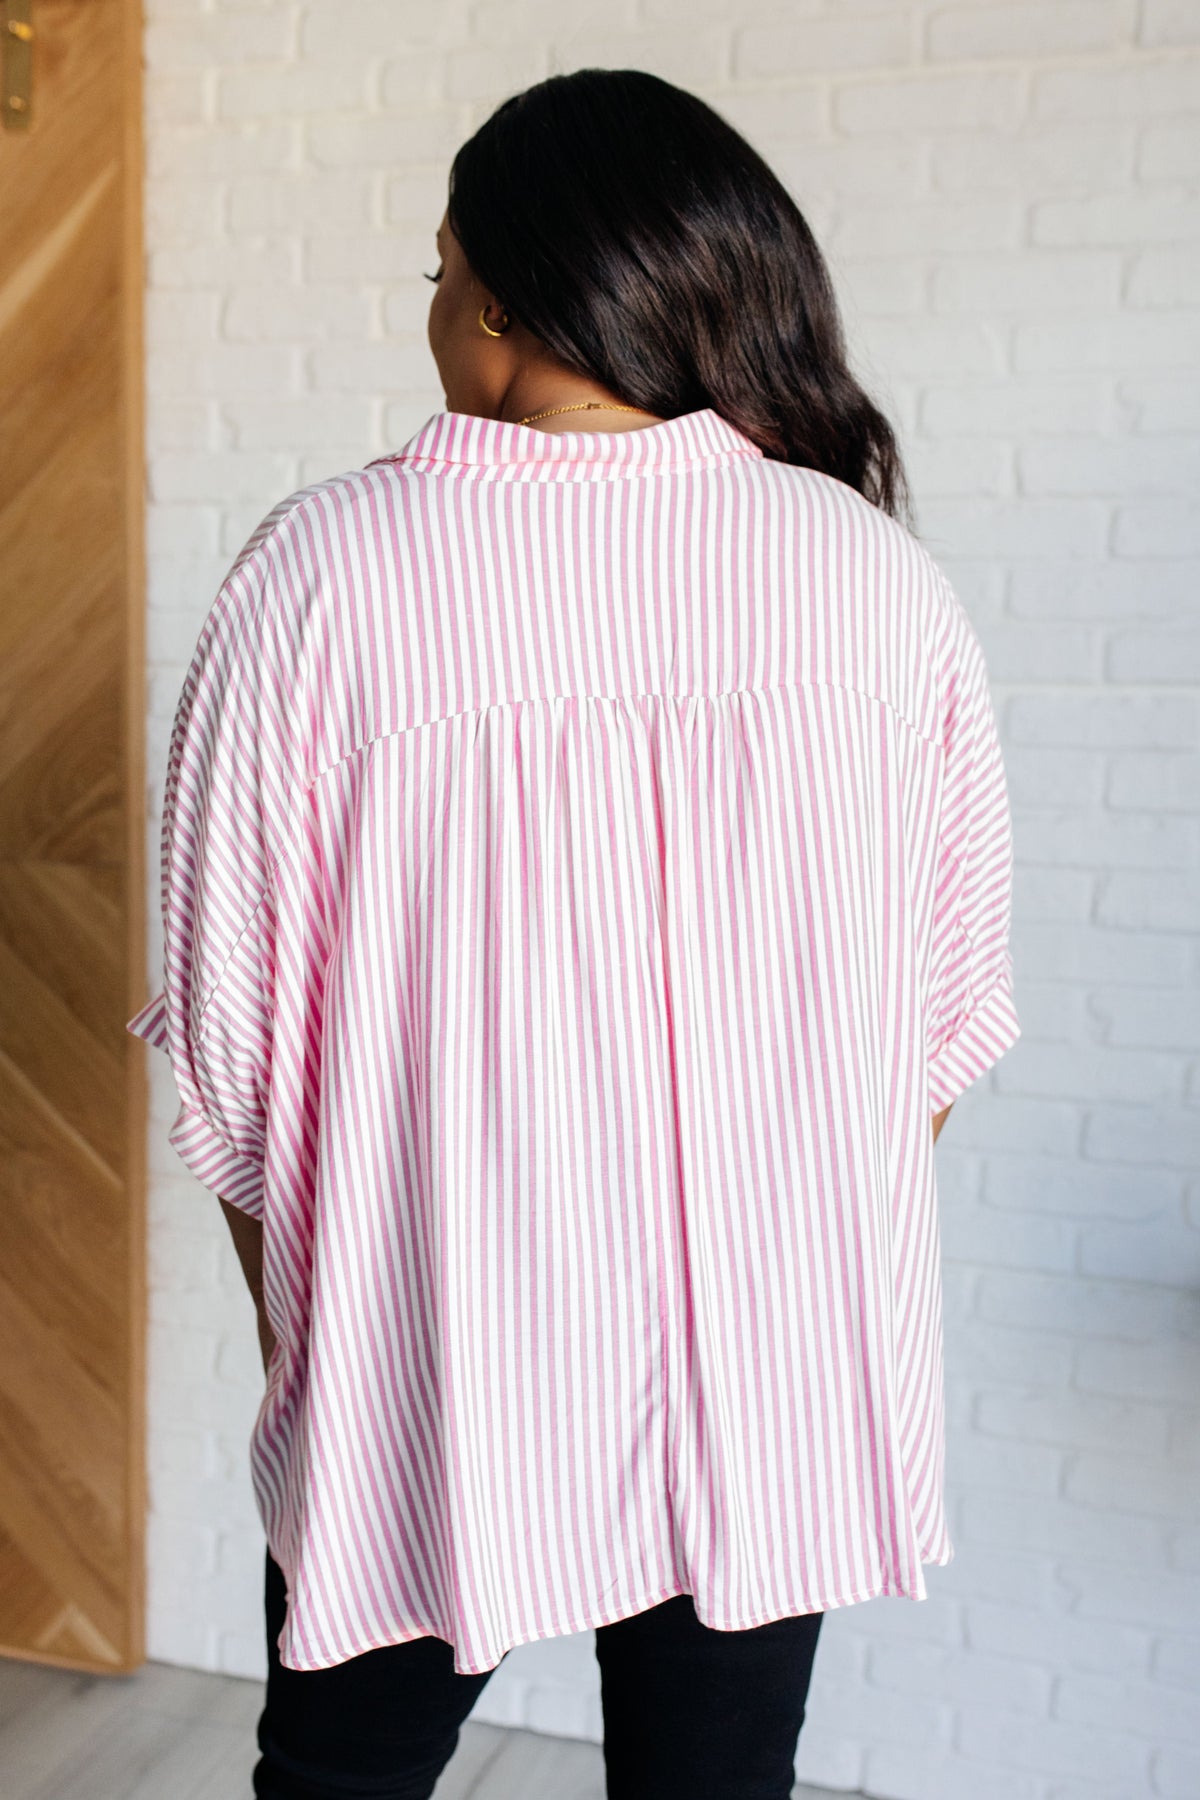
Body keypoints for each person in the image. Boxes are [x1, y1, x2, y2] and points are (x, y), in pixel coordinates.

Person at [127, 66, 1019, 1800]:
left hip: (417, 1352)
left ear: (514, 301)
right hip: (770, 1384)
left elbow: (239, 1077)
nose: (434, 307)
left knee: (336, 1786)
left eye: (441, 266)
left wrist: (335, 1353)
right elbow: (938, 1026)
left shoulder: (321, 578)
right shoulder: (872, 580)